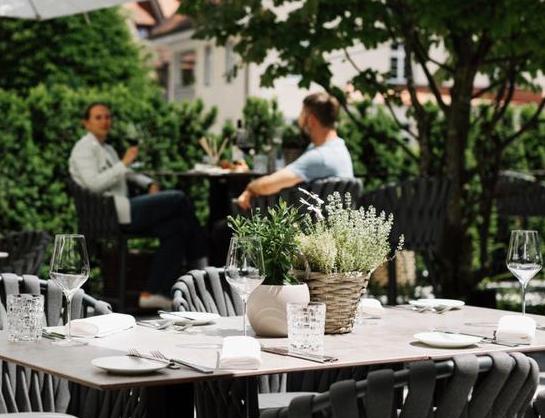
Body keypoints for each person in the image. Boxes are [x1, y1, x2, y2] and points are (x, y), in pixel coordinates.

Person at [69, 102, 208, 309]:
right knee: (179, 199)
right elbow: (93, 184)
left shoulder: (107, 148)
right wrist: (123, 163)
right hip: (110, 213)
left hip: (122, 210)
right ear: (86, 123)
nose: (105, 121)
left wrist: (148, 183)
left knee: (177, 227)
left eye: (107, 116)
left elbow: (127, 173)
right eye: (98, 117)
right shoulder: (83, 148)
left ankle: (152, 293)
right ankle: (201, 267)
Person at [236, 92, 354, 209]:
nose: (299, 121)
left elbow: (267, 186)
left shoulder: (319, 156)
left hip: (306, 225)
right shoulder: (339, 148)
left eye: (301, 115)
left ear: (311, 120)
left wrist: (250, 187)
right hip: (329, 224)